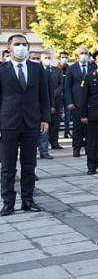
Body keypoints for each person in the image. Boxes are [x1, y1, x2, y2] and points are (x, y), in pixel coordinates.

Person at [0, 34, 50, 216]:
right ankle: (8, 202)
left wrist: (45, 119)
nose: (21, 47)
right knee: (7, 165)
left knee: (29, 164)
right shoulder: (2, 69)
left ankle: (28, 200)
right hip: (8, 123)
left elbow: (44, 96)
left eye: (24, 44)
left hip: (32, 123)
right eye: (17, 44)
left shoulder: (37, 69)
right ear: (9, 47)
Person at [64, 46, 96, 157]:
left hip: (91, 103)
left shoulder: (94, 66)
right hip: (76, 103)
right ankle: (76, 148)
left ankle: (88, 148)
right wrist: (69, 102)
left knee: (90, 128)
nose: (84, 55)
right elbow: (67, 87)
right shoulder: (71, 68)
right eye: (82, 53)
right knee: (77, 127)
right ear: (77, 55)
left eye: (86, 53)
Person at [38, 52, 63, 157]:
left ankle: (47, 148)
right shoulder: (37, 70)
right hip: (37, 103)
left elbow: (60, 85)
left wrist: (52, 100)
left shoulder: (55, 71)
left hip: (53, 101)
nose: (47, 59)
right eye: (45, 58)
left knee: (51, 125)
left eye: (49, 58)